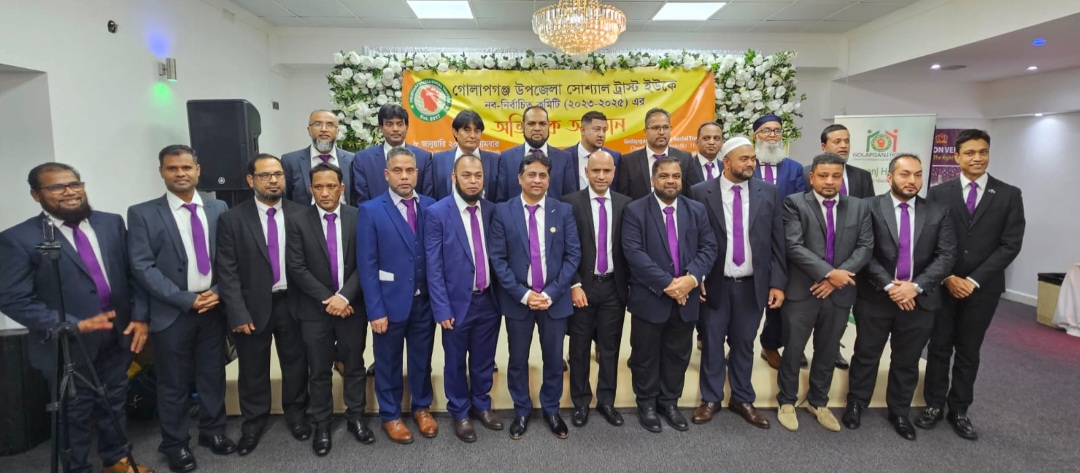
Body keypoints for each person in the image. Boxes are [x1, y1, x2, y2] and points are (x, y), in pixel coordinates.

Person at [0, 163, 152, 473]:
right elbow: (13, 297)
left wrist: (140, 317)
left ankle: (116, 460)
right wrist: (68, 324)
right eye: (56, 187)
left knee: (114, 400)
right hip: (66, 344)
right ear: (36, 195)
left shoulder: (111, 223)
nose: (69, 192)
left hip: (116, 335)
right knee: (74, 413)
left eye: (75, 184)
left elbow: (132, 274)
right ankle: (77, 468)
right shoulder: (19, 238)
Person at [127, 145, 233, 471]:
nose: (180, 173)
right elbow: (142, 266)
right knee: (173, 383)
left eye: (186, 167)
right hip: (172, 311)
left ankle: (212, 431)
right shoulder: (142, 213)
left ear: (198, 170)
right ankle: (175, 443)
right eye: (172, 168)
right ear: (161, 171)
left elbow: (229, 256)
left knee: (212, 375)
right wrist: (185, 299)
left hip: (213, 307)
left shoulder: (218, 207)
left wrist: (218, 291)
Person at [915, 129, 1025, 440]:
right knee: (939, 347)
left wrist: (973, 280)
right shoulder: (939, 193)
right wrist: (947, 276)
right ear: (957, 157)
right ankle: (933, 405)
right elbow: (929, 239)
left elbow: (1010, 245)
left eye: (983, 152)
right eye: (970, 153)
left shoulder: (1009, 194)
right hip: (943, 284)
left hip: (983, 288)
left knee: (969, 350)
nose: (978, 158)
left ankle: (960, 410)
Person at [842, 154, 956, 441]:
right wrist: (890, 287)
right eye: (905, 174)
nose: (912, 180)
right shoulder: (868, 207)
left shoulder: (938, 212)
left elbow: (946, 256)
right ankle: (856, 403)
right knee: (866, 354)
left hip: (919, 300)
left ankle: (899, 412)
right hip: (876, 297)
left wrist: (915, 287)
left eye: (917, 174)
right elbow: (863, 251)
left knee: (907, 359)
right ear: (890, 177)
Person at [215, 154, 310, 455]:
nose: (273, 180)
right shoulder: (232, 219)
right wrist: (237, 312)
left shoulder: (301, 213)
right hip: (251, 308)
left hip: (292, 303)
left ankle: (297, 415)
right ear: (250, 180)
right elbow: (227, 271)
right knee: (253, 369)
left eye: (278, 174)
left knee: (296, 364)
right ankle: (253, 423)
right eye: (265, 175)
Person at [689, 137, 785, 429]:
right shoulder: (700, 191)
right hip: (714, 283)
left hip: (752, 285)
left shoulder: (769, 192)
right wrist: (696, 276)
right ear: (727, 162)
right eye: (744, 159)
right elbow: (691, 239)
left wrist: (777, 283)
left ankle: (742, 398)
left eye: (753, 158)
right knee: (712, 342)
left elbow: (777, 241)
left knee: (744, 343)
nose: (751, 164)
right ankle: (711, 398)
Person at [775, 152, 873, 433]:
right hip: (803, 291)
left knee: (828, 351)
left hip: (839, 293)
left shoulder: (859, 207)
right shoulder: (794, 203)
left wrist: (836, 279)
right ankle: (787, 401)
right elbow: (794, 246)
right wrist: (829, 273)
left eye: (836, 176)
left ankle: (818, 401)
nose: (830, 181)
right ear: (812, 177)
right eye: (823, 175)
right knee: (793, 350)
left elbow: (865, 247)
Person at [489, 152, 581, 440]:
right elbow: (498, 260)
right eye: (531, 174)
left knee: (553, 360)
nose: (537, 180)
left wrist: (551, 293)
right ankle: (521, 410)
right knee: (518, 359)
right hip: (519, 301)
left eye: (543, 175)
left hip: (555, 301)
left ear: (549, 180)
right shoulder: (503, 211)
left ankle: (552, 409)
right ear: (520, 178)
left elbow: (573, 256)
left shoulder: (562, 211)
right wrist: (524, 294)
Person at [622, 156, 717, 433]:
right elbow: (634, 253)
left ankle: (669, 402)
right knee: (645, 355)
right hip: (650, 297)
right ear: (653, 179)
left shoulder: (696, 209)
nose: (671, 181)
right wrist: (669, 284)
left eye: (676, 176)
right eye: (664, 176)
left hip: (686, 298)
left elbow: (709, 248)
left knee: (678, 354)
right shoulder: (635, 210)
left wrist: (690, 279)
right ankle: (647, 404)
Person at [285, 162, 374, 455]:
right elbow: (296, 267)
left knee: (354, 365)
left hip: (351, 308)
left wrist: (345, 297)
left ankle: (356, 417)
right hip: (314, 310)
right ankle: (322, 424)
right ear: (310, 189)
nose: (325, 193)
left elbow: (366, 262)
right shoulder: (298, 220)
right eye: (319, 187)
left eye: (331, 186)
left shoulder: (358, 217)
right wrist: (329, 299)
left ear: (342, 188)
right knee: (319, 370)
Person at [356, 147, 438, 444]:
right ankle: (390, 415)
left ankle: (421, 407)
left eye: (410, 170)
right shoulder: (371, 210)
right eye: (398, 171)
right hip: (389, 304)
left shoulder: (431, 206)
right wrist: (375, 310)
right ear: (386, 174)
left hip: (424, 302)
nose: (404, 176)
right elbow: (367, 266)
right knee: (388, 362)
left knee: (422, 359)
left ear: (417, 173)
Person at [425, 154, 504, 443]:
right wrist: (441, 307)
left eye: (478, 176)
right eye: (466, 175)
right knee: (455, 362)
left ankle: (481, 405)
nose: (473, 181)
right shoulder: (437, 213)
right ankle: (459, 412)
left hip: (489, 300)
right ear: (454, 178)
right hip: (456, 304)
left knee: (484, 360)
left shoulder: (492, 210)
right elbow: (433, 266)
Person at [562, 150, 631, 428]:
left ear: (614, 172)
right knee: (579, 348)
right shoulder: (569, 203)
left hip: (614, 287)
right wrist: (574, 283)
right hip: (582, 288)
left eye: (606, 171)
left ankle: (606, 401)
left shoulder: (626, 204)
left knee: (610, 348)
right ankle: (580, 402)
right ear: (586, 172)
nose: (601, 176)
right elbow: (563, 249)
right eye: (595, 171)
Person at [752, 114, 819, 370]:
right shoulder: (746, 163)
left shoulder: (794, 168)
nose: (772, 135)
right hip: (751, 240)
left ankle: (770, 345)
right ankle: (738, 345)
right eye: (766, 130)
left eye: (777, 131)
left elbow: (800, 204)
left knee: (780, 294)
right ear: (756, 135)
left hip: (783, 240)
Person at [352, 103, 433, 204]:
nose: (395, 129)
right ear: (381, 127)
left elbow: (426, 200)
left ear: (407, 127)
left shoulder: (423, 158)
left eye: (400, 124)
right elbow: (361, 200)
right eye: (389, 124)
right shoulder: (363, 159)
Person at [615, 108, 701, 200]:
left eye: (666, 127)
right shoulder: (629, 161)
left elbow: (693, 195)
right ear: (645, 132)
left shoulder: (685, 158)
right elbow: (623, 198)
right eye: (656, 128)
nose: (661, 132)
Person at [494, 105, 576, 202]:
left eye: (542, 124)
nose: (537, 128)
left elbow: (570, 199)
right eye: (531, 124)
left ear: (549, 126)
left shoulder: (564, 158)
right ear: (522, 126)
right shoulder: (507, 157)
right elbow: (501, 200)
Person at [282, 109, 355, 205]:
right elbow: (286, 200)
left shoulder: (352, 160)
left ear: (337, 131)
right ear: (309, 130)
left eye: (330, 124)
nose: (324, 129)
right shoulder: (290, 161)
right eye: (318, 124)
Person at [430, 110, 499, 201]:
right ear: (455, 132)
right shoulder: (439, 159)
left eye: (477, 131)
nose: (473, 135)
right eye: (467, 130)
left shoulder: (495, 160)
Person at [803, 124, 875, 199]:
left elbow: (869, 205)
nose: (844, 145)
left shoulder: (863, 176)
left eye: (847, 141)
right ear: (824, 147)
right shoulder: (804, 174)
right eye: (837, 142)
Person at [565, 110, 623, 191]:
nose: (601, 134)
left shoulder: (615, 157)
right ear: (583, 130)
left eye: (604, 130)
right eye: (597, 129)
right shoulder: (565, 157)